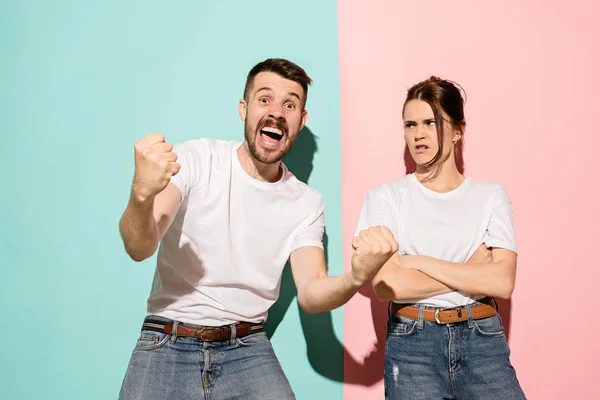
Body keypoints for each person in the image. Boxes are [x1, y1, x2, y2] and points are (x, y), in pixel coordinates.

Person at [118, 58, 397, 400]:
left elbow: (311, 293)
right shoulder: (196, 159)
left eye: (290, 104)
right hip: (168, 337)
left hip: (247, 348)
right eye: (265, 99)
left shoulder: (306, 203)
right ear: (244, 108)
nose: (277, 112)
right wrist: (142, 195)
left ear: (301, 120)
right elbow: (139, 247)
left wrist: (357, 277)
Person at [355, 77, 526, 399]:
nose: (418, 134)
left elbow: (502, 282)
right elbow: (389, 286)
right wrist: (472, 273)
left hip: (482, 336)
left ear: (458, 130)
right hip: (412, 342)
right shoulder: (386, 198)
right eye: (410, 124)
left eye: (431, 122)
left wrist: (417, 262)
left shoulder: (491, 196)